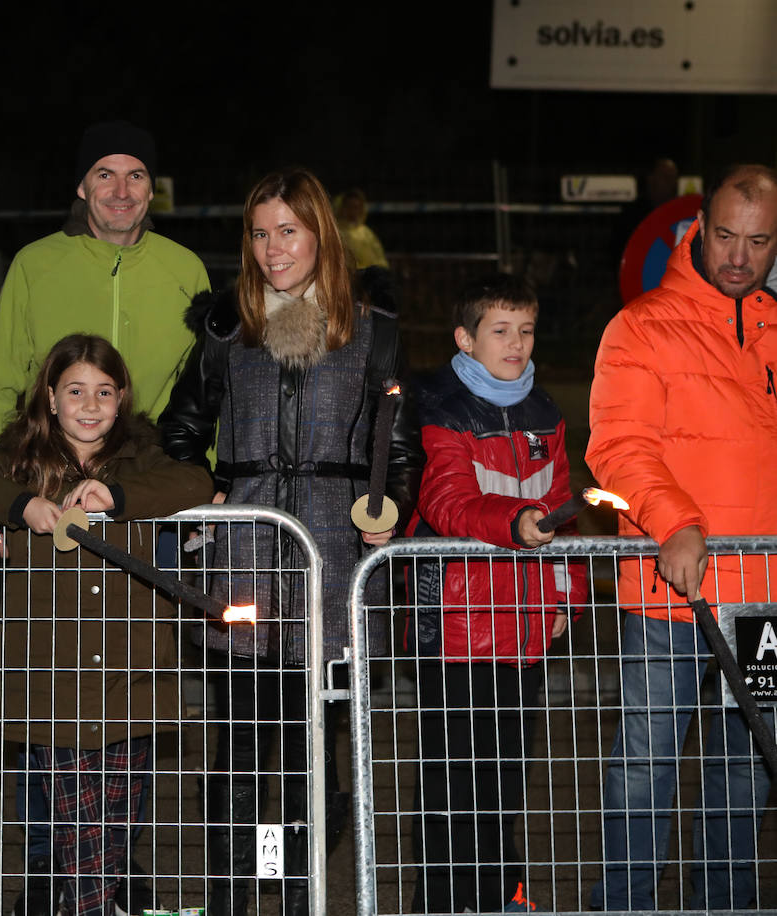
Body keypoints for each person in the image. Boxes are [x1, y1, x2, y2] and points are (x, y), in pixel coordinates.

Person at [158, 166, 423, 915]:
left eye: (289, 232)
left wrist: (392, 504)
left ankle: (295, 888)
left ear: (321, 235)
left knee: (318, 759)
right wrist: (201, 492)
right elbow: (178, 431)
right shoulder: (225, 331)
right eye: (260, 233)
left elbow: (402, 451)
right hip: (242, 571)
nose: (273, 249)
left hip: (334, 575)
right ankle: (232, 899)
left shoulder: (374, 334)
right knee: (240, 755)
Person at [0, 334, 213, 916]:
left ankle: (90, 903)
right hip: (51, 670)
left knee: (116, 816)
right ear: (51, 396)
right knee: (74, 816)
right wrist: (21, 506)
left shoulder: (143, 458)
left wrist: (114, 495)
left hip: (130, 665)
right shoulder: (22, 460)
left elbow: (195, 482)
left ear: (123, 398)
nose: (90, 406)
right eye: (76, 391)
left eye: (105, 392)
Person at [587, 163, 777, 911]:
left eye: (758, 242)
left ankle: (723, 902)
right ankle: (626, 902)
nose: (738, 256)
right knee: (646, 761)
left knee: (748, 765)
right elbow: (620, 447)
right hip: (675, 594)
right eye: (725, 236)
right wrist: (677, 524)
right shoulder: (639, 327)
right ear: (699, 228)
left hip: (765, 603)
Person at [404, 273, 586, 913]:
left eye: (526, 330)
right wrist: (513, 522)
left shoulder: (546, 413)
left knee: (505, 779)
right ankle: (445, 902)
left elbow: (564, 510)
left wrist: (565, 598)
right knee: (455, 785)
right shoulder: (439, 406)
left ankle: (497, 895)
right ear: (465, 338)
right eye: (500, 330)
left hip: (525, 628)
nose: (516, 344)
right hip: (456, 626)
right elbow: (446, 499)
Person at [0, 119, 210, 457]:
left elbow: (205, 392)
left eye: (136, 176)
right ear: (82, 187)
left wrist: (206, 478)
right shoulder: (34, 265)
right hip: (49, 471)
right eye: (105, 174)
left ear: (152, 190)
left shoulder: (186, 270)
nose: (122, 192)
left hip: (151, 476)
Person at [334, 188, 390, 269]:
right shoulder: (334, 232)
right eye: (349, 206)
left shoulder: (367, 233)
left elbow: (380, 260)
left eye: (356, 207)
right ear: (341, 207)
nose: (352, 211)